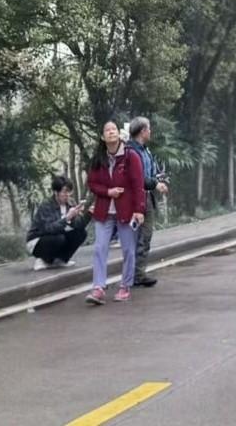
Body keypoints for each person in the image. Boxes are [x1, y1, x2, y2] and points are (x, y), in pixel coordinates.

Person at [84, 119, 145, 305]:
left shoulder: (130, 156)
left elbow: (138, 184)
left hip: (126, 211)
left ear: (119, 134)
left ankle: (125, 286)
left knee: (128, 250)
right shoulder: (98, 159)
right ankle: (98, 288)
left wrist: (139, 210)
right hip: (104, 211)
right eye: (107, 130)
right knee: (99, 248)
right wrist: (107, 192)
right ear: (102, 137)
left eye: (113, 129)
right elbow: (92, 184)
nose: (110, 132)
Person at [128, 116, 170, 288]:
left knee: (145, 237)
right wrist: (155, 184)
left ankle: (138, 273)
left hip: (147, 197)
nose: (150, 132)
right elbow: (137, 178)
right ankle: (132, 274)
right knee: (132, 239)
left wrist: (158, 180)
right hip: (133, 198)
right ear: (143, 131)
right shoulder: (130, 152)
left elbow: (150, 174)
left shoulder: (146, 151)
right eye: (149, 128)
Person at [26, 173, 89, 270]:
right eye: (64, 192)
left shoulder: (70, 203)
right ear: (56, 192)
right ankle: (43, 260)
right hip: (37, 241)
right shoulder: (46, 205)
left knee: (81, 233)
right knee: (59, 238)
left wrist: (84, 215)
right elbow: (48, 229)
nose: (67, 195)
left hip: (58, 235)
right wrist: (67, 218)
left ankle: (61, 260)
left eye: (69, 192)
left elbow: (79, 226)